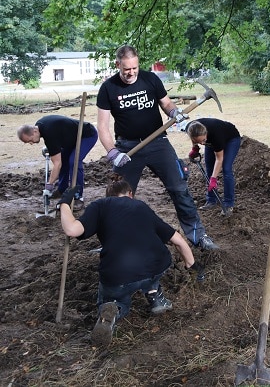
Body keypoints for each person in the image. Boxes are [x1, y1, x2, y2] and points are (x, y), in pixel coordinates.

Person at [96, 45, 218, 250]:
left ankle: (198, 236)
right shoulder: (108, 88)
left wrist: (174, 113)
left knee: (179, 188)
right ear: (118, 65)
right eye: (126, 69)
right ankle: (111, 241)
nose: (131, 73)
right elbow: (102, 126)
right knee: (117, 195)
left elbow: (166, 103)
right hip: (127, 147)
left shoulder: (150, 79)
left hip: (157, 143)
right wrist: (112, 152)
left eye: (135, 68)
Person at [57, 181, 204, 347]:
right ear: (130, 194)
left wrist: (64, 204)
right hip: (156, 266)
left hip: (119, 275)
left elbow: (72, 230)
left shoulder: (100, 206)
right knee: (151, 267)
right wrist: (191, 265)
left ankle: (114, 309)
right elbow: (176, 239)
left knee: (114, 297)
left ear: (108, 197)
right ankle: (155, 296)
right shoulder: (140, 206)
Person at [17, 115, 98, 209]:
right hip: (71, 139)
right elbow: (56, 139)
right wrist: (52, 149)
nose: (31, 143)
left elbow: (57, 164)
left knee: (74, 162)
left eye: (30, 140)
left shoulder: (48, 133)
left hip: (86, 135)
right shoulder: (39, 126)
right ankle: (62, 189)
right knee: (64, 160)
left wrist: (49, 185)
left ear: (34, 131)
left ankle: (78, 197)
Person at [186, 118, 241, 217]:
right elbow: (194, 139)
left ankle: (229, 203)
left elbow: (219, 159)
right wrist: (195, 148)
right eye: (199, 142)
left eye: (203, 140)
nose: (202, 144)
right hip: (211, 140)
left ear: (206, 133)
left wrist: (214, 179)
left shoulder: (216, 135)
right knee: (209, 168)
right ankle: (211, 200)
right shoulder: (190, 128)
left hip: (231, 139)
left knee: (226, 168)